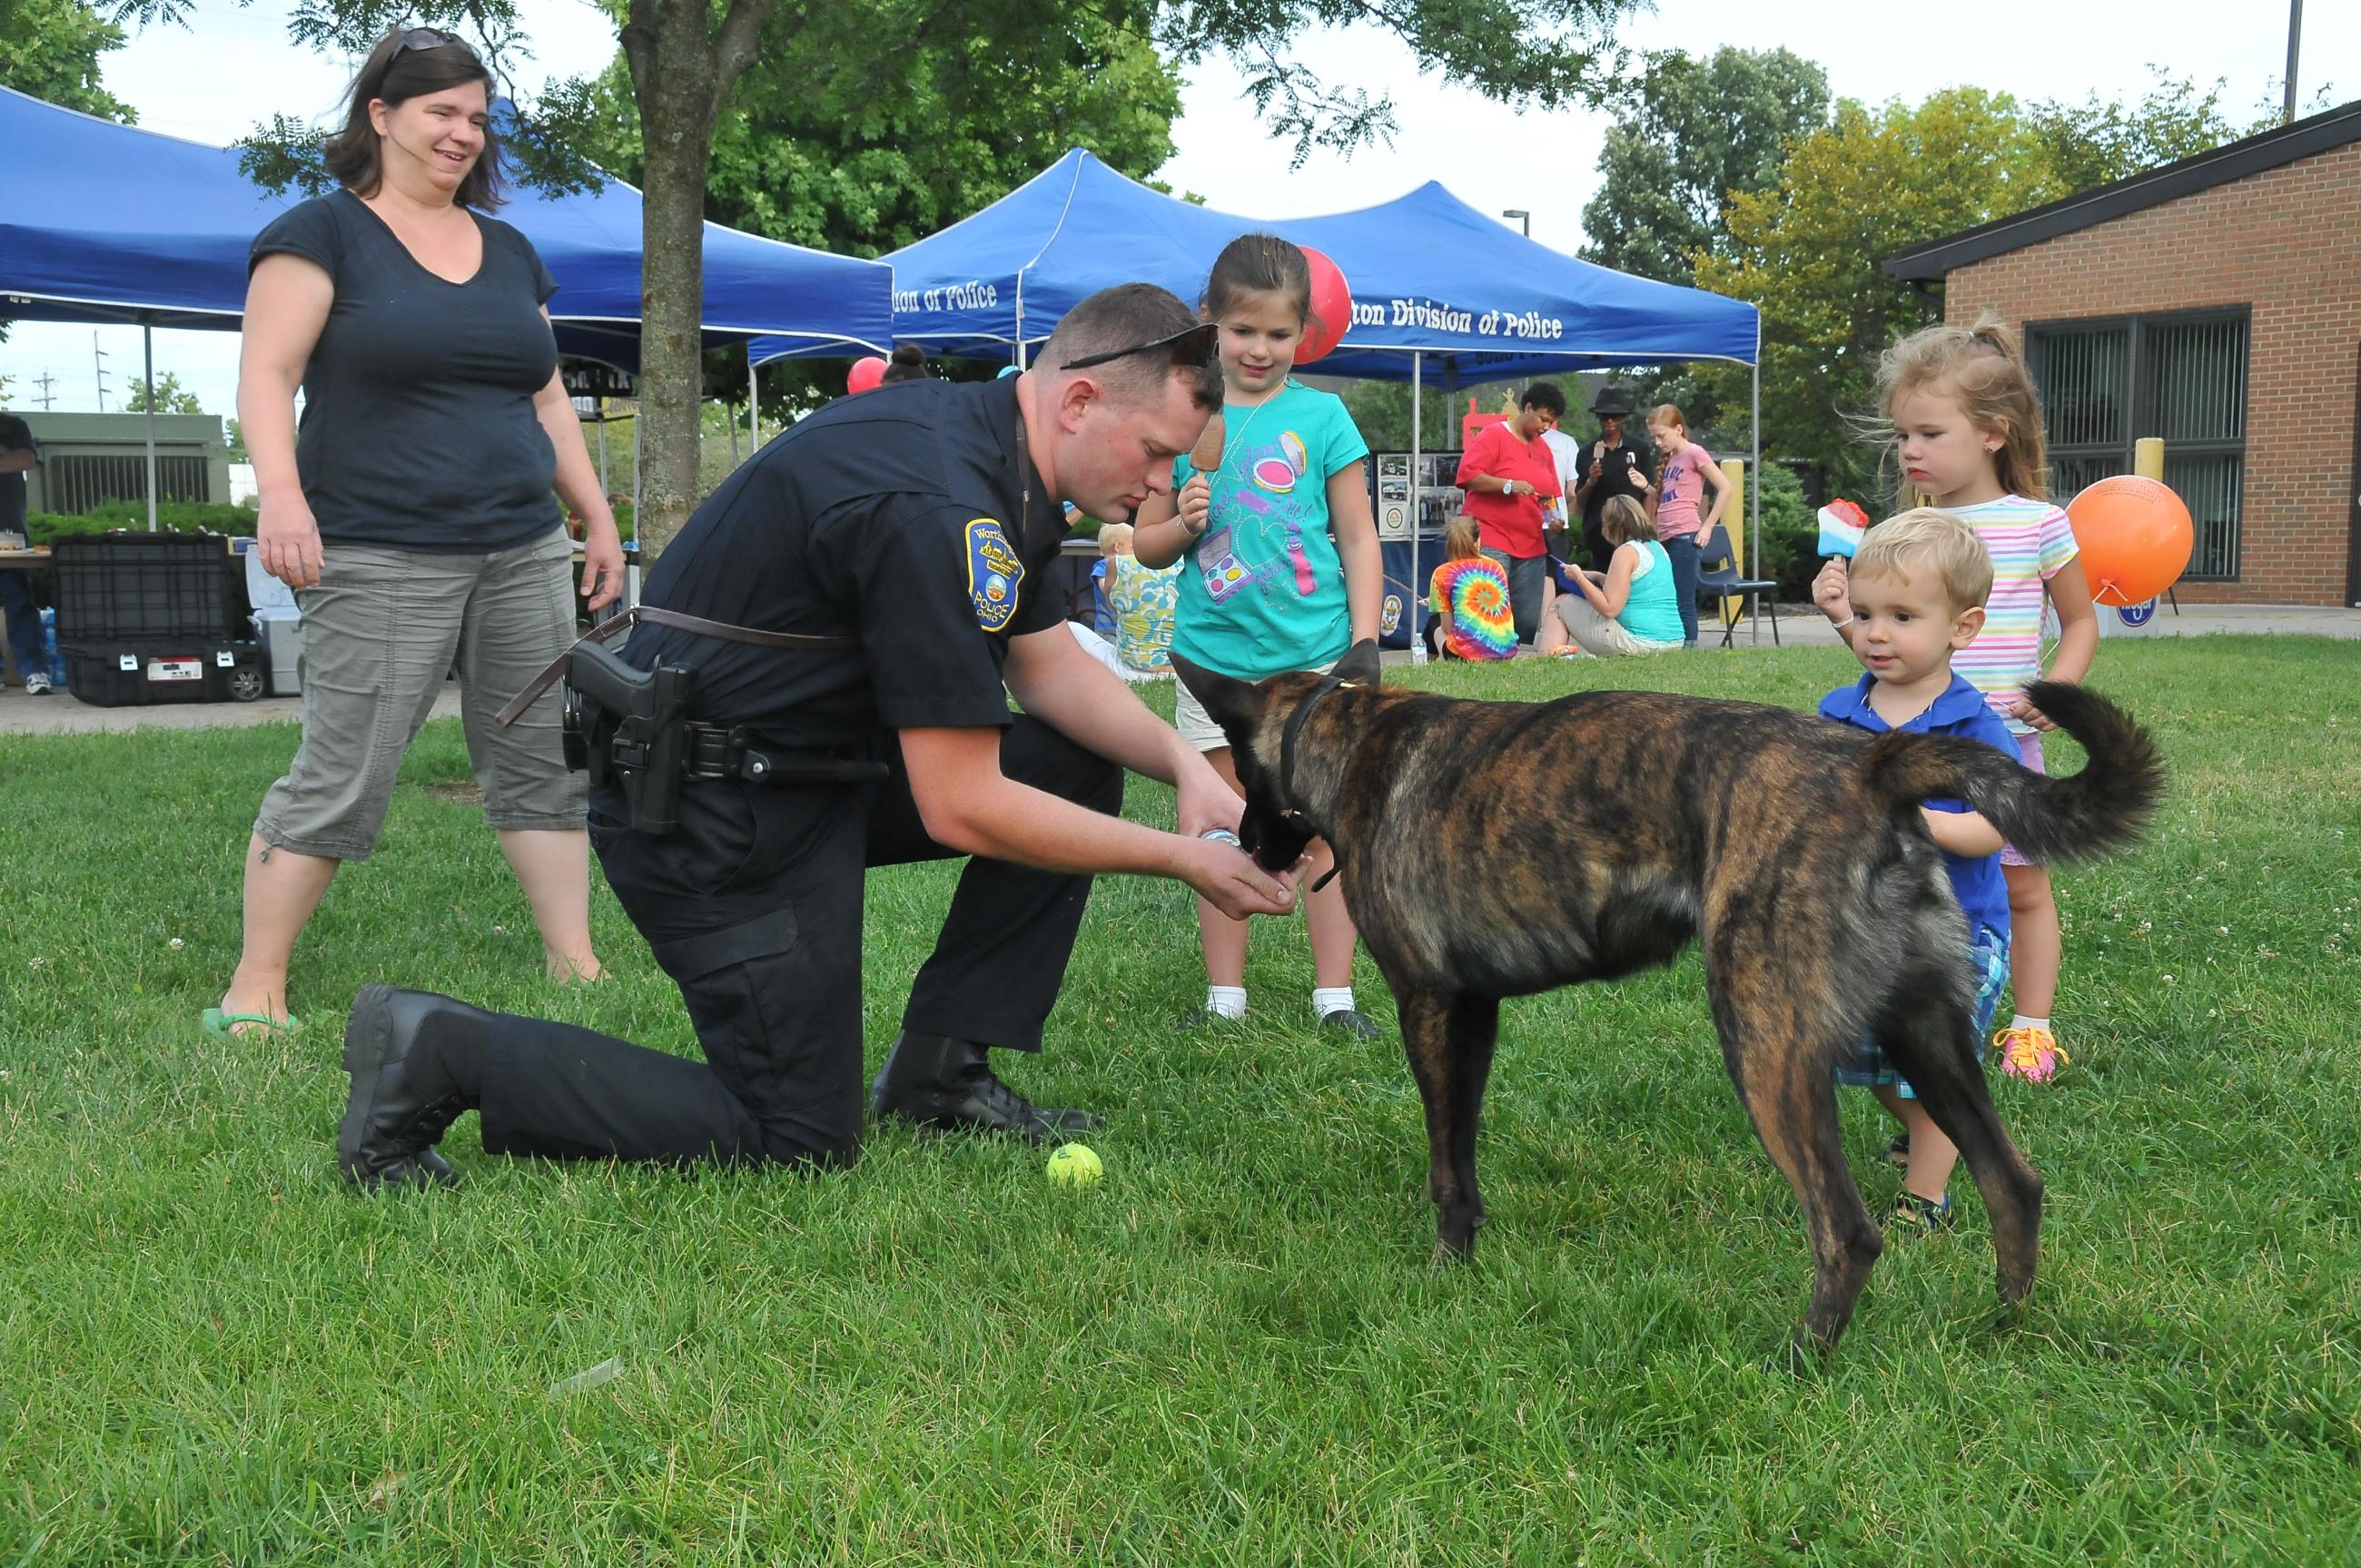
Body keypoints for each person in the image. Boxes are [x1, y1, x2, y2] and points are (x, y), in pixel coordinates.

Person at [333, 281, 1300, 1189]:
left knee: (1075, 755)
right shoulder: (936, 501)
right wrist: (1182, 859)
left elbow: (1044, 665)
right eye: (1158, 451)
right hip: (711, 814)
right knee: (795, 1136)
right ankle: (438, 1048)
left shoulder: (1001, 459)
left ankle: (939, 1072)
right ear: (1079, 401)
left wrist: (1186, 767)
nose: (1166, 481)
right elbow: (962, 801)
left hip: (801, 767)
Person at [211, 26, 625, 1041]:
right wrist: (280, 496)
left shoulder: (512, 252)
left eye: (477, 118)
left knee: (540, 754)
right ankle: (253, 986)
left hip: (522, 545)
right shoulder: (319, 234)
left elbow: (547, 400)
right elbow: (265, 375)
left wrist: (597, 516)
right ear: (381, 117)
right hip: (378, 546)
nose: (462, 135)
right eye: (442, 112)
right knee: (347, 764)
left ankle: (575, 962)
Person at [1813, 314, 2098, 1085]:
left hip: (2004, 744)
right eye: (1904, 435)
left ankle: (2031, 1025)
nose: (1909, 451)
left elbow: (2079, 621)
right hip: (1916, 745)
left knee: (2023, 884)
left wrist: (2060, 687)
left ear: (1993, 433)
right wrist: (1846, 613)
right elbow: (1888, 664)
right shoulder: (1909, 531)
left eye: (1928, 433)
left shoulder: (2039, 524)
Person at [1133, 234, 1381, 1038]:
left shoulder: (1325, 417)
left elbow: (1357, 537)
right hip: (1215, 662)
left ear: (1303, 332)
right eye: (1244, 331)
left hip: (1315, 659)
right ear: (1209, 322)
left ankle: (1335, 996)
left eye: (1280, 334)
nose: (1261, 350)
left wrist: (1367, 640)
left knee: (1330, 828)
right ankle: (1225, 999)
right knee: (1222, 824)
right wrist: (1182, 525)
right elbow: (1145, 540)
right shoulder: (1182, 413)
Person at [1819, 510, 2017, 1233]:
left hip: (1956, 937)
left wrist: (1915, 817)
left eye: (1903, 615)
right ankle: (1925, 1126)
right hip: (1870, 930)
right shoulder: (1839, 714)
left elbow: (1996, 825)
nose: (1875, 631)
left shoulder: (1971, 725)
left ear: (1961, 629)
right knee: (1861, 1058)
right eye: (1865, 612)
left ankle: (1925, 1198)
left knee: (1931, 1066)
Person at [1453, 382, 1564, 644]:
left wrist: (1553, 519)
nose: (1546, 427)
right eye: (1543, 419)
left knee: (1525, 619)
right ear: (1527, 408)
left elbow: (1547, 495)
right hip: (1493, 539)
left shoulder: (1543, 450)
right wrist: (1508, 485)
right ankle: (1482, 658)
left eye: (1551, 422)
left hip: (1532, 544)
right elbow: (1468, 476)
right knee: (1489, 613)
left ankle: (1517, 665)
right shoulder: (1494, 435)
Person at [1643, 404, 1729, 650]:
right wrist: (1645, 488)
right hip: (1666, 536)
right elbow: (1668, 499)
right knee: (1669, 596)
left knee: (1684, 598)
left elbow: (1725, 487)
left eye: (1662, 435)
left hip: (1686, 535)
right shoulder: (1671, 460)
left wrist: (1707, 527)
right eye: (1654, 437)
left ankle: (1689, 647)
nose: (1658, 442)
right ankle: (1672, 643)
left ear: (1678, 429)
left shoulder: (1695, 453)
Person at [1553, 495, 1684, 656]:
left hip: (1641, 643)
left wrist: (1578, 578)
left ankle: (1547, 658)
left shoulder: (1625, 552)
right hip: (1674, 641)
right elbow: (1639, 587)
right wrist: (1600, 577)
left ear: (1611, 525)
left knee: (1560, 603)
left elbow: (1609, 609)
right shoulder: (1657, 548)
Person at [1570, 385, 1654, 574]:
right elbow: (1580, 501)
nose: (1609, 420)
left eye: (1614, 416)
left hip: (1634, 531)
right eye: (1603, 416)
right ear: (1597, 418)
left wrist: (1648, 527)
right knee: (1604, 584)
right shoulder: (1586, 453)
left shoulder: (1639, 449)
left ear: (1623, 418)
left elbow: (1649, 492)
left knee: (1634, 583)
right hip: (1599, 532)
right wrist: (1591, 481)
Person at [0, 413, 50, 695]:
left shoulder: (12, 425)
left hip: (9, 531)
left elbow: (25, 460)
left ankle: (35, 670)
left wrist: (11, 456)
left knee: (18, 601)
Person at [1426, 515, 1516, 661]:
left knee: (1434, 623)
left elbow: (1447, 628)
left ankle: (1432, 662)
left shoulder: (1442, 573)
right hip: (1505, 651)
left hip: (1467, 654)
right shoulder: (1496, 567)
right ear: (1478, 541)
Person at [1536, 405, 1586, 563]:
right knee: (1555, 575)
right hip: (1555, 519)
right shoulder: (1566, 441)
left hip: (1524, 519)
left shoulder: (1517, 439)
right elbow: (1572, 490)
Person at [1090, 520, 1132, 642]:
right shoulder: (1102, 566)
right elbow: (1104, 586)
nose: (1135, 554)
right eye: (1132, 548)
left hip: (1123, 628)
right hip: (1107, 630)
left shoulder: (1129, 568)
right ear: (1117, 547)